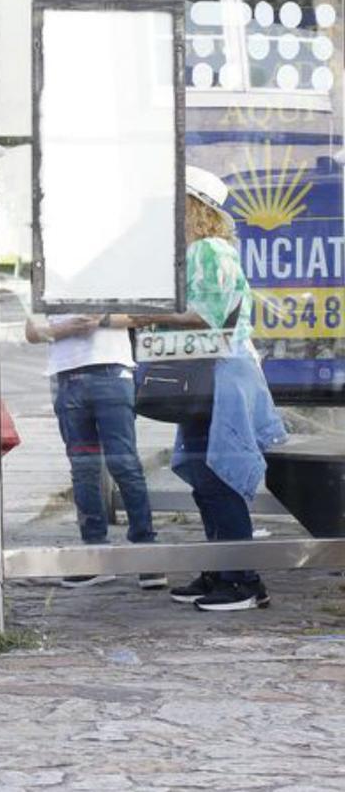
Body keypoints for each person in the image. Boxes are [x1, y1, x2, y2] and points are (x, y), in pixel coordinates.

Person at [141, 166, 286, 612]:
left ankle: (242, 579)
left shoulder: (209, 250)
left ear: (194, 207)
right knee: (207, 474)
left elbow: (207, 315)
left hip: (222, 372)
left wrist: (147, 314)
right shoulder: (205, 250)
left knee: (218, 473)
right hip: (215, 372)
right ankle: (222, 566)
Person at [24, 314, 164, 590]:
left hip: (111, 372)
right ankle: (95, 553)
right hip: (68, 376)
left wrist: (102, 321)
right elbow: (31, 330)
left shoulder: (107, 273)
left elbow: (141, 315)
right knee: (83, 469)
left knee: (123, 464)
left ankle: (146, 553)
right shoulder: (50, 276)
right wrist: (64, 328)